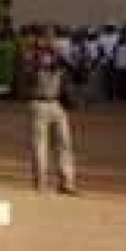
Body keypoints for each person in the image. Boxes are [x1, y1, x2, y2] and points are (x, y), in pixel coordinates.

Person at [22, 27, 79, 195]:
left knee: (64, 144)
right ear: (37, 39)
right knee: (39, 146)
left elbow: (77, 71)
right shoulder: (31, 56)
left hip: (57, 104)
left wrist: (60, 57)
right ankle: (40, 183)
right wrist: (44, 59)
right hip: (38, 102)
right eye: (45, 37)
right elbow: (29, 75)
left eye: (52, 38)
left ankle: (66, 182)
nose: (49, 41)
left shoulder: (59, 56)